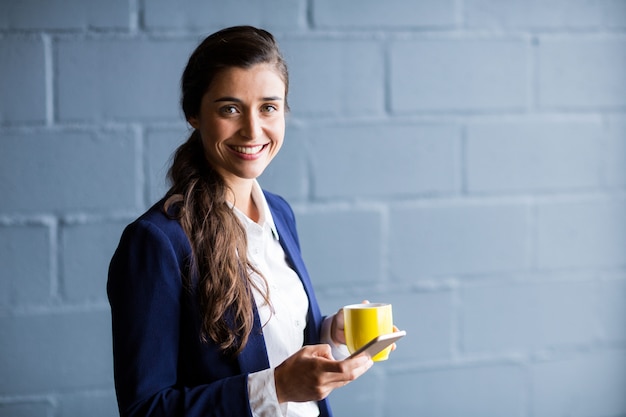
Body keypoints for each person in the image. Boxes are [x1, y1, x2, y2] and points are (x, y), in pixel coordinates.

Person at [107, 25, 374, 417]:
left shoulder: (279, 213)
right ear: (194, 114)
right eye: (230, 109)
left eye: (268, 107)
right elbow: (145, 410)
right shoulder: (156, 241)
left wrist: (331, 333)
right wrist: (276, 387)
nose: (252, 130)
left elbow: (270, 350)